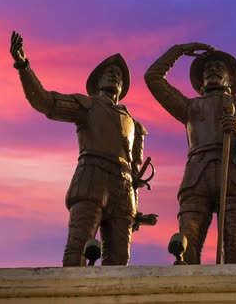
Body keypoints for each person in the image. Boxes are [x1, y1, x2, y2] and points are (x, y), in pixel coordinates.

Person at [10, 31, 149, 266]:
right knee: (77, 252)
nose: (114, 76)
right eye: (109, 73)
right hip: (92, 179)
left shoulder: (134, 124)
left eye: (118, 75)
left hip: (124, 191)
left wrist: (136, 209)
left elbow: (136, 172)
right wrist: (23, 66)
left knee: (119, 263)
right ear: (96, 84)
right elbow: (45, 101)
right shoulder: (87, 105)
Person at [144, 43, 236, 264]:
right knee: (188, 239)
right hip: (197, 177)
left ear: (231, 79)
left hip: (235, 177)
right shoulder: (190, 107)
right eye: (207, 68)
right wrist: (178, 50)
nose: (212, 70)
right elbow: (153, 78)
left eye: (219, 67)